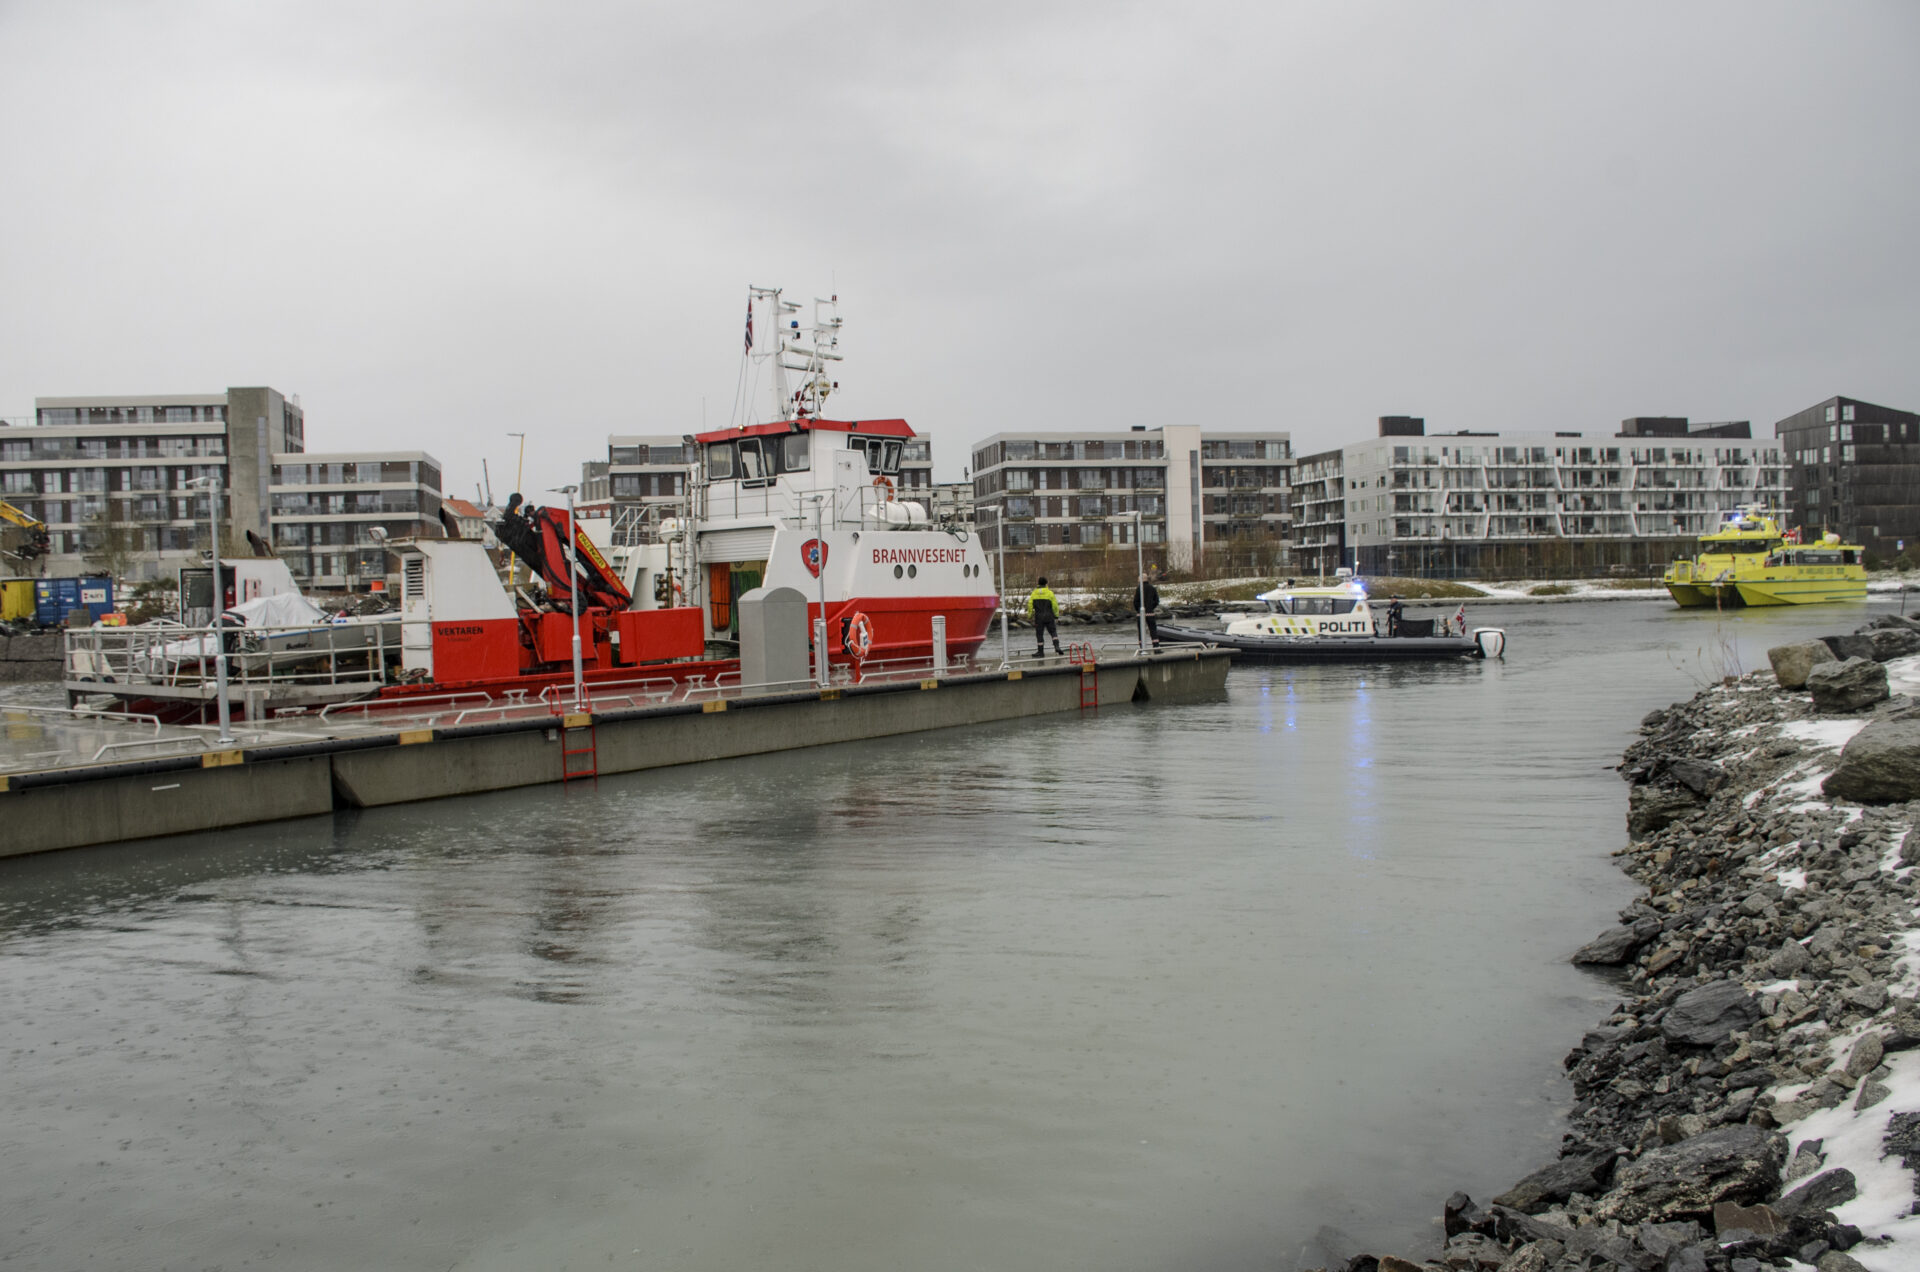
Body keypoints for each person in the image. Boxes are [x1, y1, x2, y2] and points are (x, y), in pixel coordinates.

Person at [1028, 577, 1063, 657]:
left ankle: (1040, 652)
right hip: (1049, 616)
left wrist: (1030, 615)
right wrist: (1056, 616)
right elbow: (1055, 605)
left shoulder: (1034, 593)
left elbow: (1030, 605)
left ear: (1038, 583)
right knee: (1053, 631)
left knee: (1039, 634)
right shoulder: (1050, 593)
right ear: (1046, 583)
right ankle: (1056, 646)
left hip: (1038, 617)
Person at [1131, 572, 1160, 647]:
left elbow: (1135, 601)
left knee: (1141, 631)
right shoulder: (1152, 588)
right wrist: (1151, 607)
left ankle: (1142, 647)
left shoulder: (1138, 589)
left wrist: (1138, 609)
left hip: (1141, 613)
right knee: (1153, 630)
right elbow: (1156, 600)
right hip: (1150, 613)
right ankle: (1156, 647)